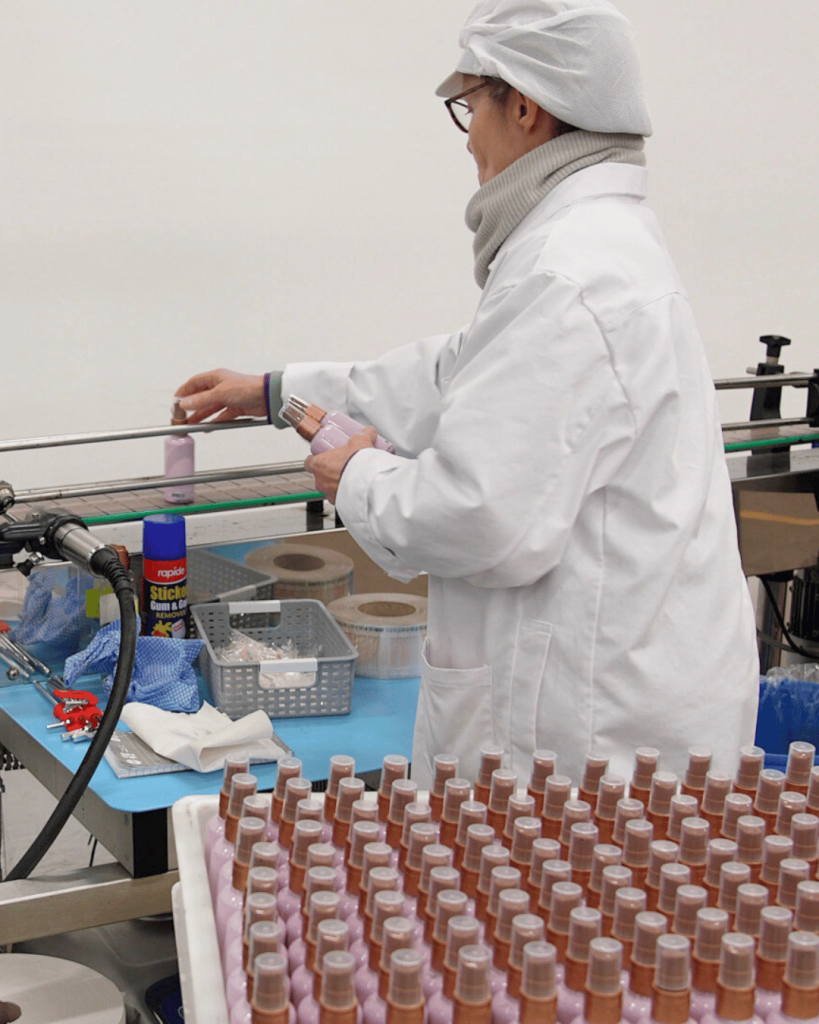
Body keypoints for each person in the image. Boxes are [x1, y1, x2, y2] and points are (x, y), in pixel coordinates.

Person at [176, 0, 759, 790]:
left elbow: (480, 517)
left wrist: (356, 478)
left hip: (591, 723)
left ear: (525, 107)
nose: (467, 136)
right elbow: (456, 373)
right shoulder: (592, 247)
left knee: (542, 872)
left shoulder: (565, 274)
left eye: (469, 105)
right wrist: (279, 393)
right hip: (629, 685)